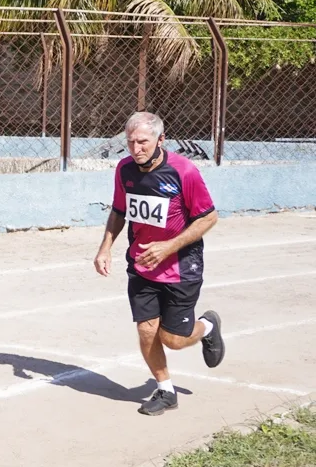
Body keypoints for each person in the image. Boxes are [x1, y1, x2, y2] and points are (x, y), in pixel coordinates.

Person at [93, 111, 225, 416]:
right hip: (141, 264)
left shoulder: (184, 171)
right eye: (130, 142)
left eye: (143, 142)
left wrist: (169, 246)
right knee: (146, 330)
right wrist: (105, 249)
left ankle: (206, 327)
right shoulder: (125, 169)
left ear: (160, 140)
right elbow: (118, 210)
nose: (136, 148)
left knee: (174, 339)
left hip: (181, 265)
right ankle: (165, 389)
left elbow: (209, 217)